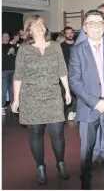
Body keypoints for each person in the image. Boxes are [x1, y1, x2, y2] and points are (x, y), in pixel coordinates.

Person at [68, 10, 104, 190]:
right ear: (84, 28)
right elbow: (74, 81)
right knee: (86, 148)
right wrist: (95, 102)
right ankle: (85, 179)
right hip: (88, 106)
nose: (95, 27)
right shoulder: (77, 50)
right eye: (91, 23)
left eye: (99, 23)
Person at [11, 14, 71, 185]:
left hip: (52, 94)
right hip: (31, 97)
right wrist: (16, 99)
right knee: (35, 134)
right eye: (35, 25)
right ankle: (40, 168)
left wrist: (67, 91)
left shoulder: (55, 46)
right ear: (29, 29)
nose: (39, 27)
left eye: (42, 24)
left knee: (57, 133)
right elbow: (18, 75)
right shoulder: (23, 49)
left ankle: (60, 163)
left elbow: (62, 70)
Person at [60, 26, 76, 121]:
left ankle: (74, 110)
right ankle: (70, 111)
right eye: (67, 33)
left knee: (77, 92)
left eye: (71, 32)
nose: (70, 35)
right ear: (64, 34)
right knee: (68, 91)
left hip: (78, 71)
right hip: (66, 72)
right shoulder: (62, 46)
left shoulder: (78, 44)